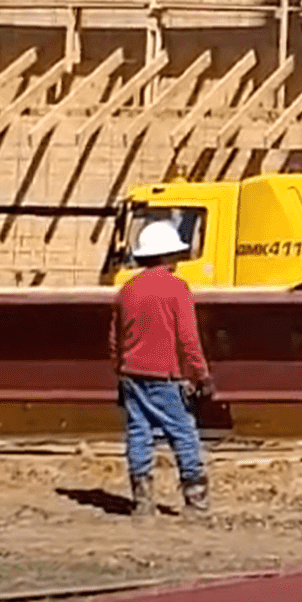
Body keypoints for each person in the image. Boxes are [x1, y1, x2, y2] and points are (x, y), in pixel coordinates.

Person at [110, 218, 214, 518]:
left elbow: (115, 338)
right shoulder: (176, 289)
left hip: (131, 375)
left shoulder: (127, 290)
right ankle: (196, 502)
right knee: (183, 434)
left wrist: (120, 369)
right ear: (168, 256)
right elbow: (188, 338)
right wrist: (201, 375)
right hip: (164, 376)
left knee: (138, 433)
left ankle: (143, 502)